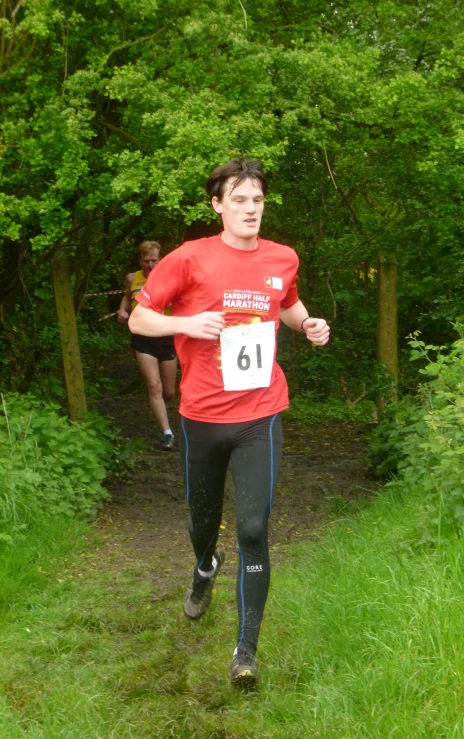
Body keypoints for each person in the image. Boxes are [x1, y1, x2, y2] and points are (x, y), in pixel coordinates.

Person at [129, 159, 330, 688]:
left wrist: (307, 323)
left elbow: (285, 303)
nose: (250, 209)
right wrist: (186, 323)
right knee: (202, 520)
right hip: (200, 416)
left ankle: (246, 650)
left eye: (257, 200)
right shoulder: (189, 258)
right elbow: (139, 317)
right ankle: (203, 567)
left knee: (253, 528)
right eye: (238, 200)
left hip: (260, 413)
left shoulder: (282, 258)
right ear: (217, 204)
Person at [117, 240, 177, 450]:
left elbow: (185, 302)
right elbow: (126, 298)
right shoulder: (133, 278)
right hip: (142, 336)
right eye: (146, 261)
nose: (150, 265)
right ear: (140, 260)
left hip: (167, 336)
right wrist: (122, 311)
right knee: (154, 385)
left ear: (160, 259)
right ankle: (167, 433)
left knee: (168, 391)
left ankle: (161, 405)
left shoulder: (171, 277)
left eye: (154, 260)